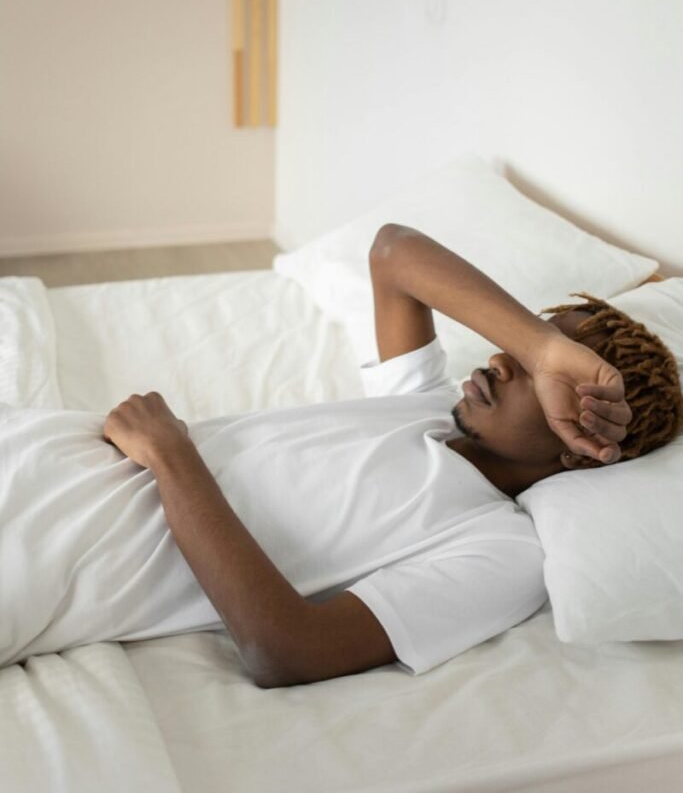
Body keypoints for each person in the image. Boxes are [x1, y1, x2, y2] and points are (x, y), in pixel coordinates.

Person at [2, 226, 680, 682]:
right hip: (31, 447)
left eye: (537, 377)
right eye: (522, 343)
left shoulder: (499, 552)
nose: (502, 358)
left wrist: (174, 455)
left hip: (33, 553)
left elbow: (287, 651)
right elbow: (393, 251)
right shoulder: (423, 403)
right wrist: (546, 349)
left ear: (583, 451)